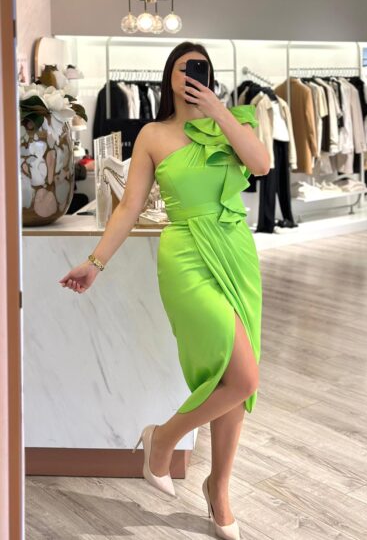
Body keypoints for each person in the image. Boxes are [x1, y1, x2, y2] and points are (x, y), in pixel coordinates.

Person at [59, 41, 270, 540]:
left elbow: (261, 165)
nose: (192, 74)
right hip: (187, 257)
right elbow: (129, 207)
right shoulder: (153, 134)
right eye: (183, 67)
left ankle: (218, 489)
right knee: (243, 378)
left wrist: (219, 112)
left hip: (236, 252)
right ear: (169, 76)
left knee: (231, 378)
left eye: (201, 68)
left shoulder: (233, 120)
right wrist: (95, 263)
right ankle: (163, 440)